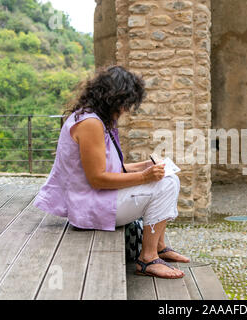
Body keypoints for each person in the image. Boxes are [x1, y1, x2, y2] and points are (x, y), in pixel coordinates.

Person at [33, 65, 189, 279]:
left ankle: (159, 247)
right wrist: (145, 177)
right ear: (113, 98)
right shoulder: (90, 124)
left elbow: (112, 169)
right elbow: (97, 179)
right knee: (167, 184)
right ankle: (147, 259)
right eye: (125, 103)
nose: (126, 109)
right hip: (91, 206)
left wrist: (145, 166)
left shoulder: (96, 119)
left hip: (97, 199)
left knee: (169, 177)